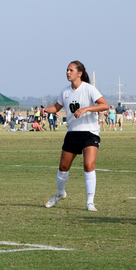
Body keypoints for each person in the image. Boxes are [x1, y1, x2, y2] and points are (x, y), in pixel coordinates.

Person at [42, 61, 109, 212]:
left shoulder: (89, 89)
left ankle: (90, 202)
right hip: (72, 133)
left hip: (89, 133)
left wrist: (86, 109)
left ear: (79, 73)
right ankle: (60, 194)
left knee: (88, 165)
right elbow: (57, 107)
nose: (67, 72)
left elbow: (104, 105)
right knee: (63, 167)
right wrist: (46, 110)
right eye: (67, 70)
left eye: (71, 70)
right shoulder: (65, 91)